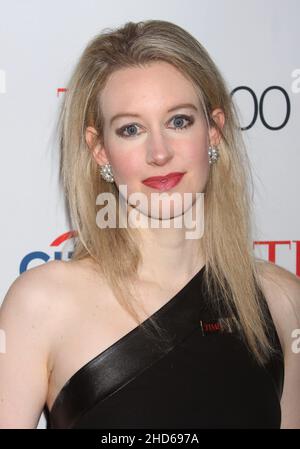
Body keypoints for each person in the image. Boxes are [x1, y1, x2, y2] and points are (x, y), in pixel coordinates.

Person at [0, 19, 299, 429]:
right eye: (131, 129)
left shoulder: (281, 301)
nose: (159, 153)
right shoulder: (42, 304)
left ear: (214, 132)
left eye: (179, 121)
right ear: (100, 150)